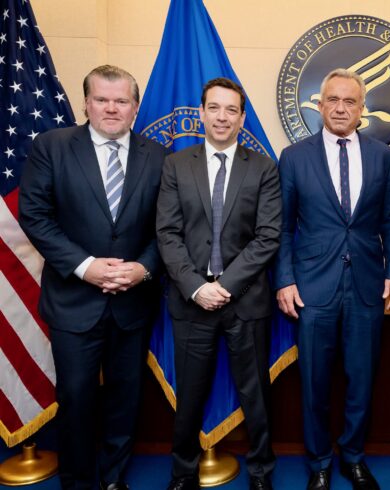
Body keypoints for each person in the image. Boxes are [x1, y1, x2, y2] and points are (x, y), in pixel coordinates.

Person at [18, 65, 166, 490]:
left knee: (125, 399)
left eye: (121, 101)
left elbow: (166, 227)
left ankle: (114, 479)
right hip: (73, 301)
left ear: (135, 107)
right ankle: (79, 481)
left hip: (132, 302)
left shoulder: (158, 156)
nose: (111, 108)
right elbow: (35, 216)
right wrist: (86, 267)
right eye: (102, 99)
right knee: (77, 399)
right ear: (86, 102)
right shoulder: (53, 146)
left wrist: (143, 267)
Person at [274, 68, 390, 490]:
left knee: (362, 378)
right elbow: (283, 227)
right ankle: (319, 463)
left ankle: (353, 456)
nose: (341, 108)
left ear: (362, 108)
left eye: (350, 101)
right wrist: (285, 280)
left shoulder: (383, 157)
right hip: (312, 288)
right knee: (314, 380)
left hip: (368, 285)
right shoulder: (294, 157)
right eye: (333, 99)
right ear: (320, 104)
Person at [156, 77, 280, 490]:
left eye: (231, 110)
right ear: (202, 113)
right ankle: (182, 473)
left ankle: (261, 472)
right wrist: (196, 286)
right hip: (191, 300)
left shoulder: (263, 167)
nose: (222, 116)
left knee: (256, 395)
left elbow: (268, 236)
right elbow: (167, 234)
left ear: (242, 118)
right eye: (214, 108)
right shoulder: (176, 164)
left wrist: (224, 284)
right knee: (189, 395)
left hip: (245, 300)